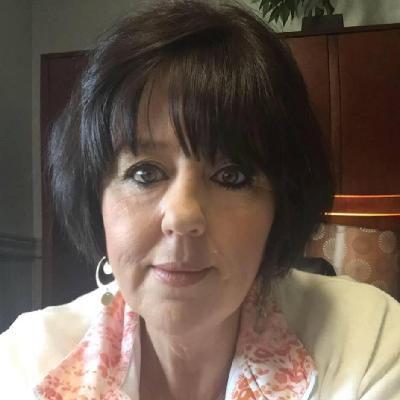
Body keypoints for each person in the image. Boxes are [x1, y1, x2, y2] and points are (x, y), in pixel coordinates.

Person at [1, 1, 399, 399]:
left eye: (231, 176)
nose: (182, 215)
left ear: (281, 203)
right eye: (144, 173)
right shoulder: (26, 363)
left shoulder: (368, 342)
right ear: (96, 197)